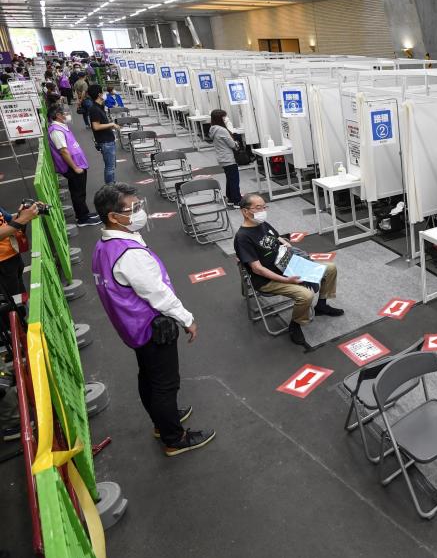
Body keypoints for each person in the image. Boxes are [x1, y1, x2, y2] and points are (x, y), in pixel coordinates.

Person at [92, 183, 214, 456]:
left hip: (132, 327)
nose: (140, 212)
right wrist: (187, 319)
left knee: (148, 376)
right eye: (132, 208)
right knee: (165, 383)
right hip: (151, 327)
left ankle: (163, 421)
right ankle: (174, 437)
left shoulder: (104, 245)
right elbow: (158, 293)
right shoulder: (129, 253)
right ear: (113, 216)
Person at [234, 194, 343, 348]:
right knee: (305, 295)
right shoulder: (243, 237)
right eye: (258, 208)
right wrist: (287, 280)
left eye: (264, 207)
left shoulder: (262, 224)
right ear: (245, 211)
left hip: (287, 266)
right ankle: (295, 325)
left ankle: (322, 305)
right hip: (267, 280)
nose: (263, 211)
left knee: (330, 268)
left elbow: (277, 237)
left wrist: (286, 244)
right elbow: (258, 270)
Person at [48, 107, 100, 227]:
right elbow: (63, 151)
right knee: (78, 192)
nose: (67, 115)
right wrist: (75, 167)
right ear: (58, 115)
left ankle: (85, 213)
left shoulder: (61, 127)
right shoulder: (56, 130)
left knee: (80, 191)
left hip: (77, 164)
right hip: (73, 167)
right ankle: (82, 219)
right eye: (65, 113)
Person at [0, 202, 40, 297]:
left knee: (20, 297)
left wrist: (28, 211)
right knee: (11, 304)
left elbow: (9, 220)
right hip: (2, 265)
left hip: (12, 256)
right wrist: (23, 218)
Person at [87, 84, 120, 184]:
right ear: (99, 94)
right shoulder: (94, 109)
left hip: (108, 140)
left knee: (112, 165)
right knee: (110, 167)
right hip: (105, 141)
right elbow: (96, 126)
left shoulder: (100, 106)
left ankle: (112, 184)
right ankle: (110, 187)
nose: (104, 94)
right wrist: (111, 124)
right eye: (102, 92)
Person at [208, 109, 241, 208]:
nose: (226, 118)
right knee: (234, 180)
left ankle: (230, 198)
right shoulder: (222, 130)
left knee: (230, 179)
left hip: (221, 157)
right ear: (220, 118)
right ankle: (236, 201)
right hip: (228, 158)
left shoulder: (212, 128)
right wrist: (236, 143)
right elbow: (232, 144)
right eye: (224, 117)